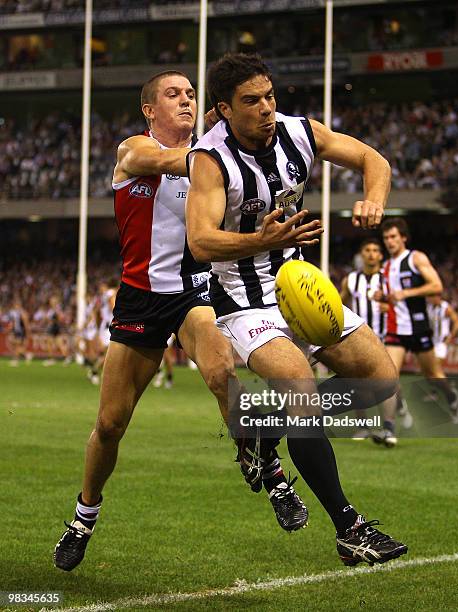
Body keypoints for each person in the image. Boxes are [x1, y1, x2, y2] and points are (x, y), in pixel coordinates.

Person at [53, 70, 305, 573]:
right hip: (141, 299)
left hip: (195, 292)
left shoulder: (211, 155)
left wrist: (225, 128)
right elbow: (176, 159)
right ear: (150, 109)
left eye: (192, 94)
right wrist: (217, 134)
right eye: (174, 94)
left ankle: (269, 470)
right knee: (109, 424)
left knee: (221, 373)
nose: (186, 100)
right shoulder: (135, 151)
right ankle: (84, 515)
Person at [186, 52, 407, 566]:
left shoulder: (299, 132)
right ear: (222, 110)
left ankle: (263, 430)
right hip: (243, 299)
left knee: (380, 380)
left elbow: (374, 159)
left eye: (269, 95)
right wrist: (256, 239)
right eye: (251, 101)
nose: (266, 108)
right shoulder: (209, 159)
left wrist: (374, 197)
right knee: (301, 390)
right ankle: (350, 529)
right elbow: (199, 242)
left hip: (300, 288)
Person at [377, 218, 458, 432]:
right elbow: (393, 298)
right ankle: (389, 427)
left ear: (403, 237)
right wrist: (383, 298)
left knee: (433, 377)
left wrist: (407, 293)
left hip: (418, 328)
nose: (390, 241)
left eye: (393, 236)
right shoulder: (385, 267)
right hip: (396, 330)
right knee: (388, 376)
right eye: (386, 238)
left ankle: (451, 396)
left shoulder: (415, 258)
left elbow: (437, 285)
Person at [340, 238, 413, 444]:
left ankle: (389, 428)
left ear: (381, 255)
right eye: (367, 250)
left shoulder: (389, 279)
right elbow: (338, 303)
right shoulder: (351, 279)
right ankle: (362, 426)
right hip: (360, 338)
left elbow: (402, 307)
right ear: (361, 254)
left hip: (387, 336)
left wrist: (389, 308)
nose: (371, 254)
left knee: (387, 381)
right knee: (357, 381)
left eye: (375, 250)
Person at [423, 294, 458, 402]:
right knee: (429, 371)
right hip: (431, 342)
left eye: (432, 297)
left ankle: (445, 393)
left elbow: (457, 323)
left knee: (435, 368)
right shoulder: (429, 307)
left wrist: (450, 337)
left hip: (441, 344)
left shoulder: (446, 308)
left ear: (438, 297)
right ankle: (445, 387)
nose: (430, 299)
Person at [7, 297, 31, 366]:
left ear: (19, 305)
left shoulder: (23, 313)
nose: (15, 306)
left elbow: (26, 324)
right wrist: (11, 328)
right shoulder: (15, 313)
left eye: (17, 305)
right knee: (14, 344)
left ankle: (16, 360)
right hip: (16, 330)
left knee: (17, 345)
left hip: (21, 331)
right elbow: (13, 322)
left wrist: (27, 333)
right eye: (15, 305)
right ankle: (27, 355)